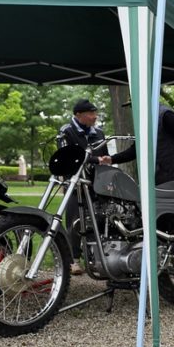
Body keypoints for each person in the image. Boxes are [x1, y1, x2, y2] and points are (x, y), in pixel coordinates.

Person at [56, 98, 107, 275]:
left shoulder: (99, 133)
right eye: (91, 113)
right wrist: (95, 159)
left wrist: (104, 162)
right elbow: (68, 156)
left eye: (95, 113)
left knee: (97, 220)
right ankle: (73, 261)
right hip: (75, 185)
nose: (95, 116)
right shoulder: (66, 131)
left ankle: (94, 259)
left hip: (96, 185)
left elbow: (105, 157)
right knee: (74, 222)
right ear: (78, 115)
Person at [100, 104, 174, 185]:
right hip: (155, 178)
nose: (133, 109)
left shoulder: (166, 115)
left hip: (171, 178)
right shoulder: (144, 121)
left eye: (133, 105)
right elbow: (136, 150)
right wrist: (112, 159)